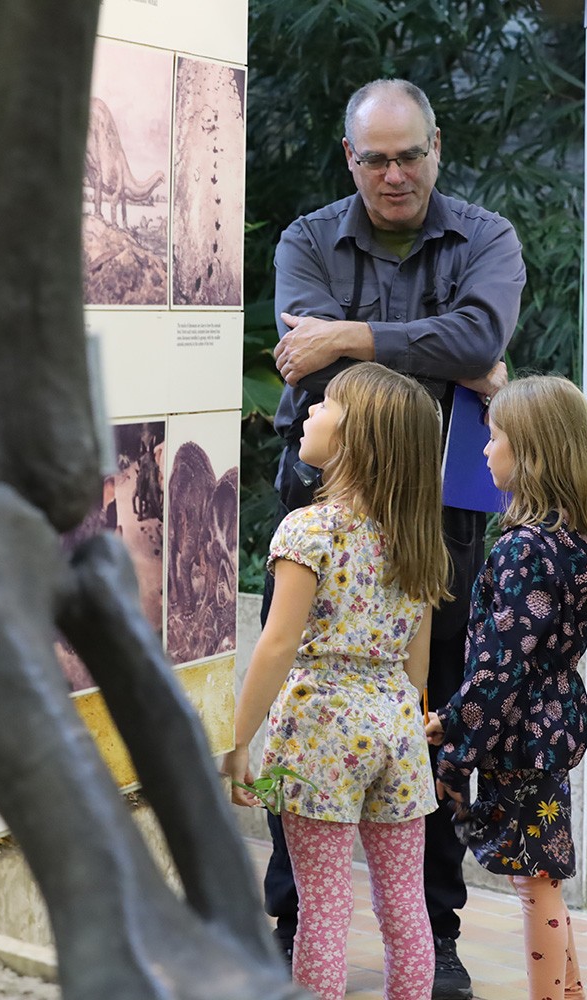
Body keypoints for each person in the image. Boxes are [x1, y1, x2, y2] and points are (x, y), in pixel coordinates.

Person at [263, 76, 527, 999]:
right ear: (351, 160)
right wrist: (427, 347)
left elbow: (481, 336)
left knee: (432, 723)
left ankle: (436, 933)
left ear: (437, 148)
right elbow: (317, 354)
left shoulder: (486, 238)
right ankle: (296, 924)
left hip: (444, 529)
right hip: (325, 517)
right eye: (374, 158)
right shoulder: (307, 240)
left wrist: (353, 337)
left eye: (409, 154)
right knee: (306, 715)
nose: (393, 174)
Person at [223, 362, 452, 1000]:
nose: (308, 414)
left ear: (357, 440)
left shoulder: (308, 529)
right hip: (398, 732)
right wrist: (408, 717)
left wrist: (238, 741)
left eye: (324, 405)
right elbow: (418, 663)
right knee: (405, 904)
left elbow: (277, 645)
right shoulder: (418, 538)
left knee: (322, 907)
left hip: (319, 731)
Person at [426, 375, 587, 1000]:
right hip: (552, 727)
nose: (484, 452)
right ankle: (568, 992)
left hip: (519, 736)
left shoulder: (521, 551)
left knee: (533, 878)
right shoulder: (571, 540)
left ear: (531, 452)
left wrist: (453, 729)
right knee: (544, 874)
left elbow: (498, 664)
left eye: (495, 439)